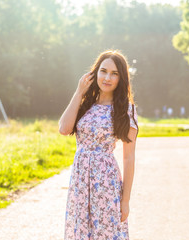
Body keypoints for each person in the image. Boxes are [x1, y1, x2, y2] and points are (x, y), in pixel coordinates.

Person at [59, 50, 138, 239]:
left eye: (114, 73)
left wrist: (125, 200)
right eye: (103, 71)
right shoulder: (86, 103)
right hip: (80, 179)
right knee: (80, 231)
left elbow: (129, 158)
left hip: (105, 180)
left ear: (121, 78)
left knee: (105, 232)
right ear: (95, 73)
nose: (107, 78)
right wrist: (79, 92)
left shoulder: (126, 110)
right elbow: (64, 128)